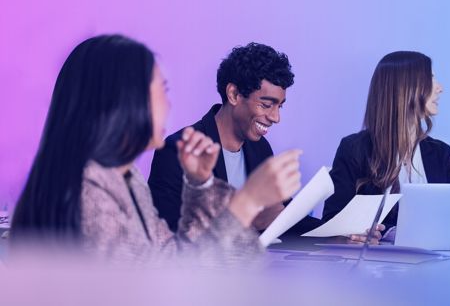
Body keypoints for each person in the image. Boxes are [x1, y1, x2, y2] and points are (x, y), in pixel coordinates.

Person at [10, 35, 302, 261]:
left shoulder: (127, 180)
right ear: (119, 103)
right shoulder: (90, 192)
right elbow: (172, 282)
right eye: (161, 91)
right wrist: (247, 202)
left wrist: (199, 187)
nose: (169, 104)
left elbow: (175, 258)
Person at [149, 42, 320, 234]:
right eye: (266, 105)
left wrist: (337, 233)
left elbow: (284, 214)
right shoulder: (178, 149)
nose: (275, 117)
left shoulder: (261, 148)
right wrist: (247, 221)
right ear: (234, 94)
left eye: (279, 106)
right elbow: (166, 235)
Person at [323, 51, 450, 244]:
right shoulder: (354, 149)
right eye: (430, 79)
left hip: (430, 262)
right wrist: (350, 236)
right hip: (372, 266)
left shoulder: (441, 154)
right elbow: (331, 222)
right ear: (405, 88)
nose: (440, 88)